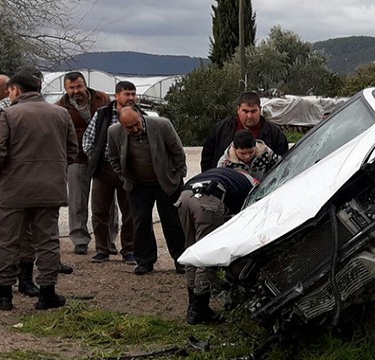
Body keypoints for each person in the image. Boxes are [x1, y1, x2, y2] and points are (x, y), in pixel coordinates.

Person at [0, 70, 78, 311]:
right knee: (47, 240)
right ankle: (47, 292)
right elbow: (72, 150)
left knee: (7, 240)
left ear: (15, 90)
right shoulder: (61, 113)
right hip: (50, 188)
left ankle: (3, 293)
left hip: (14, 189)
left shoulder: (8, 114)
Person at [108, 106, 187, 275]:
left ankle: (181, 260)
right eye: (129, 127)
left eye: (137, 124)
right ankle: (144, 261)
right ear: (122, 125)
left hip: (166, 183)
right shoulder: (113, 132)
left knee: (173, 221)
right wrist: (124, 177)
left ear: (140, 116)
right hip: (137, 186)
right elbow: (113, 157)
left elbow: (178, 152)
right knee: (140, 223)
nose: (135, 129)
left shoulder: (162, 125)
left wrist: (179, 175)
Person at [176, 167, 256, 324]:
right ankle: (200, 308)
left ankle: (192, 304)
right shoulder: (250, 184)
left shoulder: (222, 173)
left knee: (192, 249)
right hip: (209, 200)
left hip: (185, 196)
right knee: (206, 255)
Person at [55, 71, 116, 255]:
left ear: (85, 84)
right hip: (77, 158)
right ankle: (80, 240)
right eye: (71, 88)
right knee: (77, 202)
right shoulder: (60, 107)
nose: (76, 91)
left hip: (102, 158)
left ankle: (109, 241)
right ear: (66, 89)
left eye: (78, 86)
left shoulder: (102, 98)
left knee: (108, 203)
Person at [82, 81, 137, 265]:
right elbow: (88, 140)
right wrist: (95, 159)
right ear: (116, 96)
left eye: (133, 94)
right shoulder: (102, 114)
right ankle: (102, 250)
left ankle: (129, 250)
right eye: (127, 94)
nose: (130, 98)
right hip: (103, 169)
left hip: (127, 171)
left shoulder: (139, 115)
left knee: (130, 212)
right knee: (99, 212)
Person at [200, 91, 289, 172]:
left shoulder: (274, 134)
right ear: (238, 109)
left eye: (253, 111)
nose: (249, 116)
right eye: (245, 111)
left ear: (260, 109)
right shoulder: (221, 129)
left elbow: (283, 163)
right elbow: (207, 160)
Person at [217, 129, 281, 181]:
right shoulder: (225, 163)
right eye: (242, 153)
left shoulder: (265, 153)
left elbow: (280, 164)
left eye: (251, 152)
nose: (247, 156)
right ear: (234, 148)